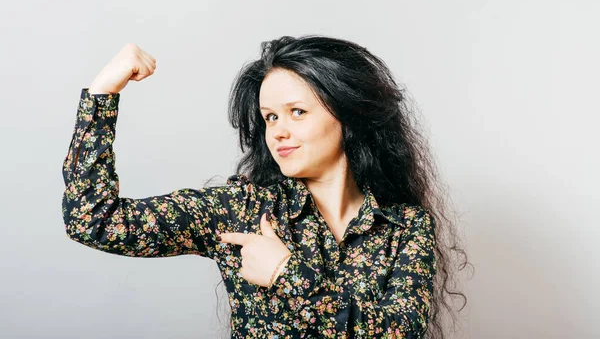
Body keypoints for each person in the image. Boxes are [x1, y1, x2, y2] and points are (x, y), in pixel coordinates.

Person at [61, 36, 469, 338]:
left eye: (297, 112)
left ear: (349, 116)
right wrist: (102, 94)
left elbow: (399, 334)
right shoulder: (243, 210)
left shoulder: (405, 227)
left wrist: (284, 273)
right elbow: (93, 221)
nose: (279, 132)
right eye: (270, 117)